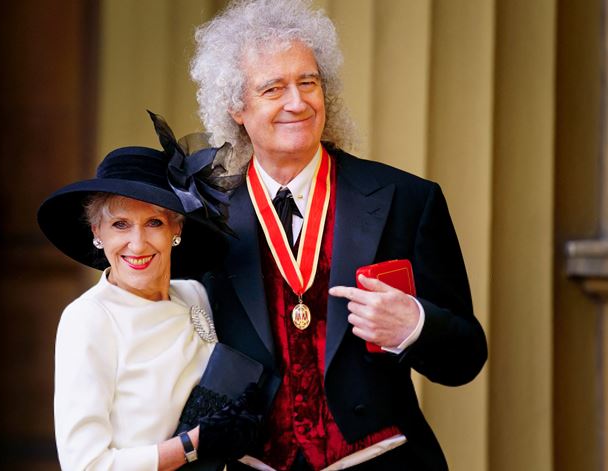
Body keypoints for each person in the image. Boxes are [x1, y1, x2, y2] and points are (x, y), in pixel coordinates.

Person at [190, 1, 488, 469]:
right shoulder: (200, 215)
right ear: (236, 107)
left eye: (308, 82)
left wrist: (414, 325)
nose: (298, 101)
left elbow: (466, 357)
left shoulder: (409, 199)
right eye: (273, 88)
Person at [37, 113, 263, 470]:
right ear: (98, 232)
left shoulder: (194, 296)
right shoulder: (88, 320)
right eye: (120, 224)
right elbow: (85, 465)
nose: (137, 243)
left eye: (154, 223)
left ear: (177, 228)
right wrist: (192, 445)